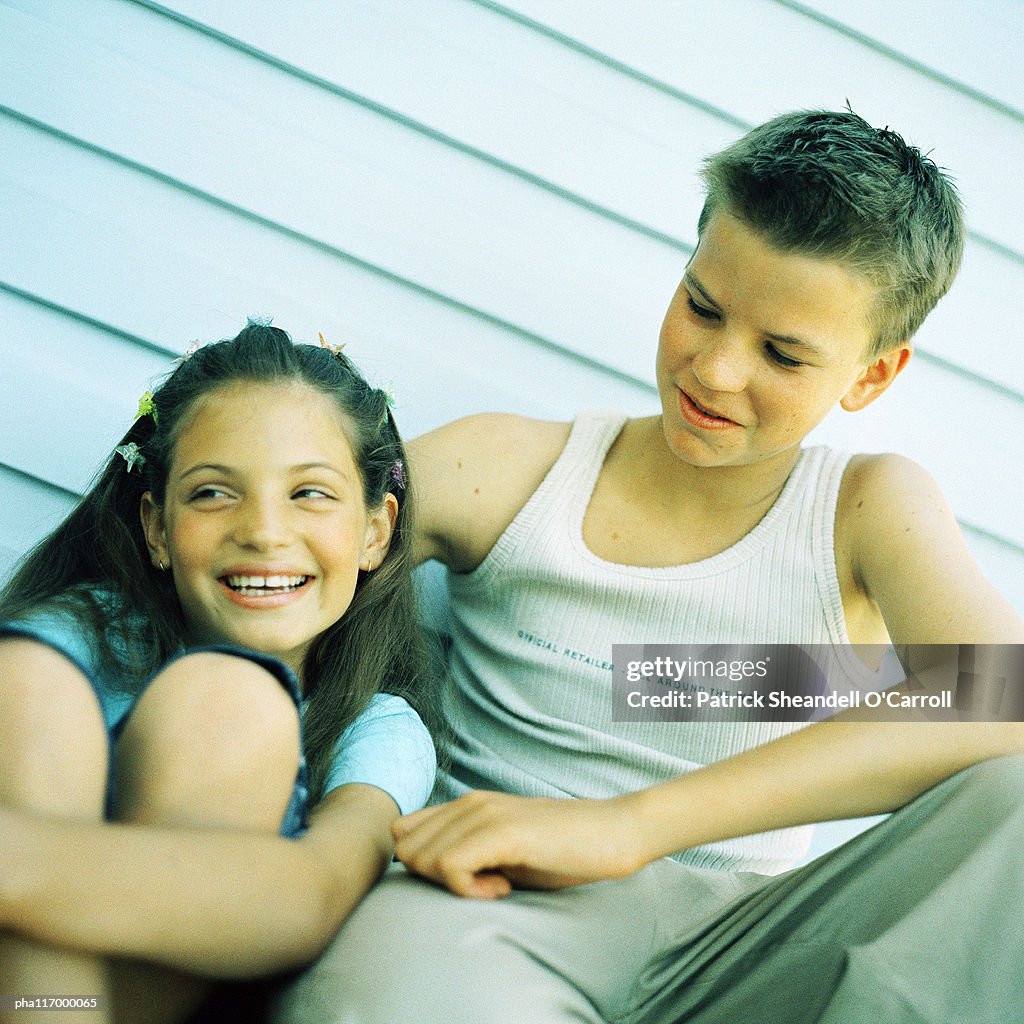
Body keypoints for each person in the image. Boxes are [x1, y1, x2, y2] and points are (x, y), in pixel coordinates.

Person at [273, 110, 1024, 1023]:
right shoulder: (513, 470)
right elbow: (269, 539)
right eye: (701, 306)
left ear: (870, 377)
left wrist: (627, 828)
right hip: (490, 909)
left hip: (752, 946)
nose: (713, 370)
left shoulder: (869, 509)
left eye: (782, 353)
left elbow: (1004, 693)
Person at [0, 323, 437, 1024]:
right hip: (31, 997)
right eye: (211, 493)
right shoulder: (79, 636)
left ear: (375, 532)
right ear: (156, 530)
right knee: (28, 678)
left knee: (229, 700)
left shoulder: (379, 728)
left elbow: (311, 898)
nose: (264, 531)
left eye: (310, 494)